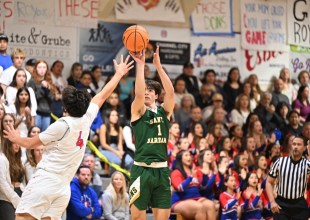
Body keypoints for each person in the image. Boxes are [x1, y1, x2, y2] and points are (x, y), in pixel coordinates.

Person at [3, 55, 133, 220]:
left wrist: (15, 137)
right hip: (64, 187)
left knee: (22, 218)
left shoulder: (62, 124)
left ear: (64, 107)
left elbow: (31, 143)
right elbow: (102, 95)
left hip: (46, 181)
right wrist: (118, 74)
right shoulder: (86, 118)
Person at [128, 46, 175, 220]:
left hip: (162, 171)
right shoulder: (138, 110)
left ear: (156, 95)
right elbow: (138, 94)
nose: (146, 92)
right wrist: (140, 65)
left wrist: (159, 67)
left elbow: (170, 93)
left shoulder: (165, 112)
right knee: (137, 218)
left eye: (150, 91)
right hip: (141, 170)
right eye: (144, 89)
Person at [266, 135, 310, 220]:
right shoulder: (280, 162)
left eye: (299, 144)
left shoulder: (307, 164)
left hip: (299, 204)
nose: (295, 147)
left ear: (304, 148)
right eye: (294, 144)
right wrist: (272, 202)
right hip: (281, 203)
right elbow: (269, 182)